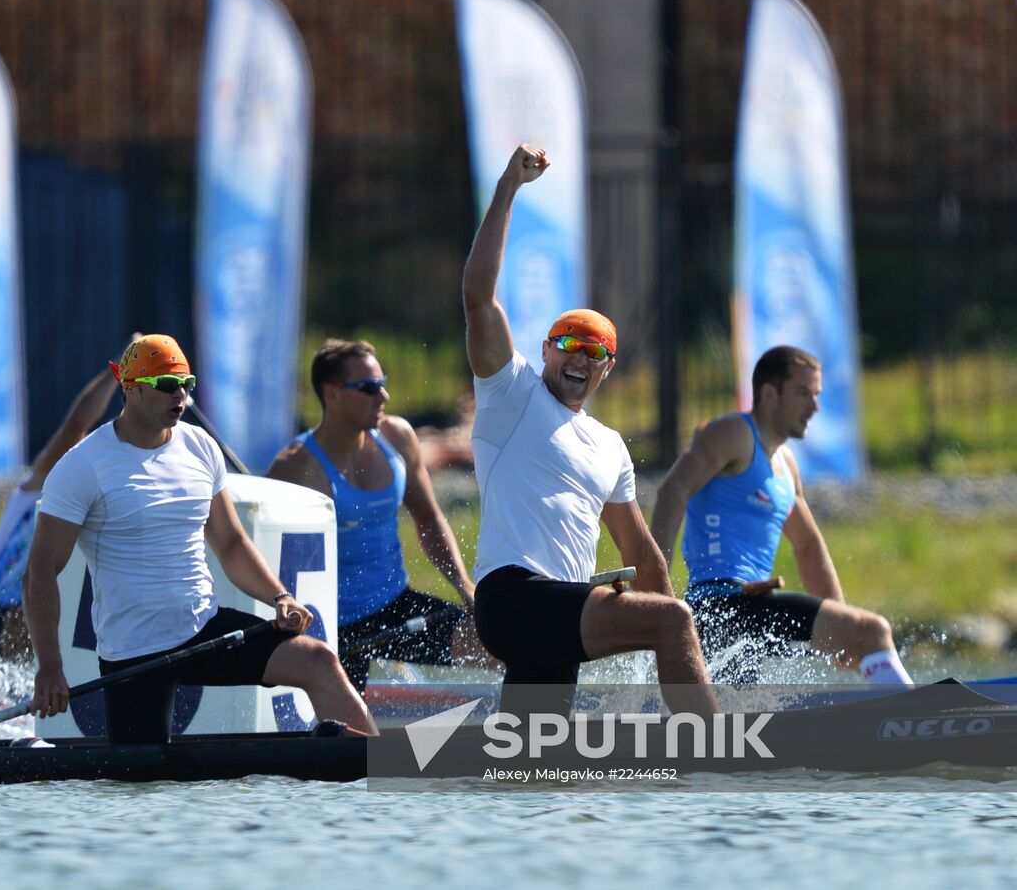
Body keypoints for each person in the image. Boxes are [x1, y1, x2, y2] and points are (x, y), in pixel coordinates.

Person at [462, 144, 718, 718]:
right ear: (545, 350)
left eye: (594, 351)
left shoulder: (609, 446)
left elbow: (641, 554)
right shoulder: (512, 394)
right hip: (513, 599)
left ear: (608, 367)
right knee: (671, 620)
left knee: (537, 766)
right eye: (568, 345)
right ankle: (719, 754)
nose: (579, 358)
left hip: (556, 616)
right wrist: (508, 187)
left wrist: (682, 651)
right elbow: (478, 298)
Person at [23, 334, 374, 743]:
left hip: (205, 629)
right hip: (135, 652)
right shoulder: (83, 465)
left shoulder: (199, 446)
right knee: (141, 787)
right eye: (168, 386)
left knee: (318, 660)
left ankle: (384, 763)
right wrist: (50, 665)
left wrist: (280, 597)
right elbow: (40, 572)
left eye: (187, 385)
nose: (181, 397)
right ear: (131, 388)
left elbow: (231, 544)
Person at [649, 345, 913, 686]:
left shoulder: (786, 465)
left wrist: (839, 623)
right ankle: (913, 724)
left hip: (749, 614)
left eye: (816, 395)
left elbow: (808, 546)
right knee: (872, 631)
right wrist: (656, 589)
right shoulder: (734, 433)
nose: (815, 406)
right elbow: (673, 489)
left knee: (739, 723)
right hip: (720, 608)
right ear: (770, 394)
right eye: (803, 393)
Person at [268, 339, 484, 691]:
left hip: (395, 607)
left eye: (382, 385)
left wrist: (464, 587)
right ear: (333, 393)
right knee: (356, 739)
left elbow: (429, 520)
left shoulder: (397, 437)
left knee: (499, 645)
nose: (382, 397)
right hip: (333, 628)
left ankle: (528, 735)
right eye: (369, 389)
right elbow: (263, 553)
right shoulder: (296, 467)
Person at [0, 362, 120, 660]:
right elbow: (77, 423)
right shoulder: (40, 485)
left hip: (30, 615)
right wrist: (118, 372)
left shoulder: (100, 508)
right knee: (27, 611)